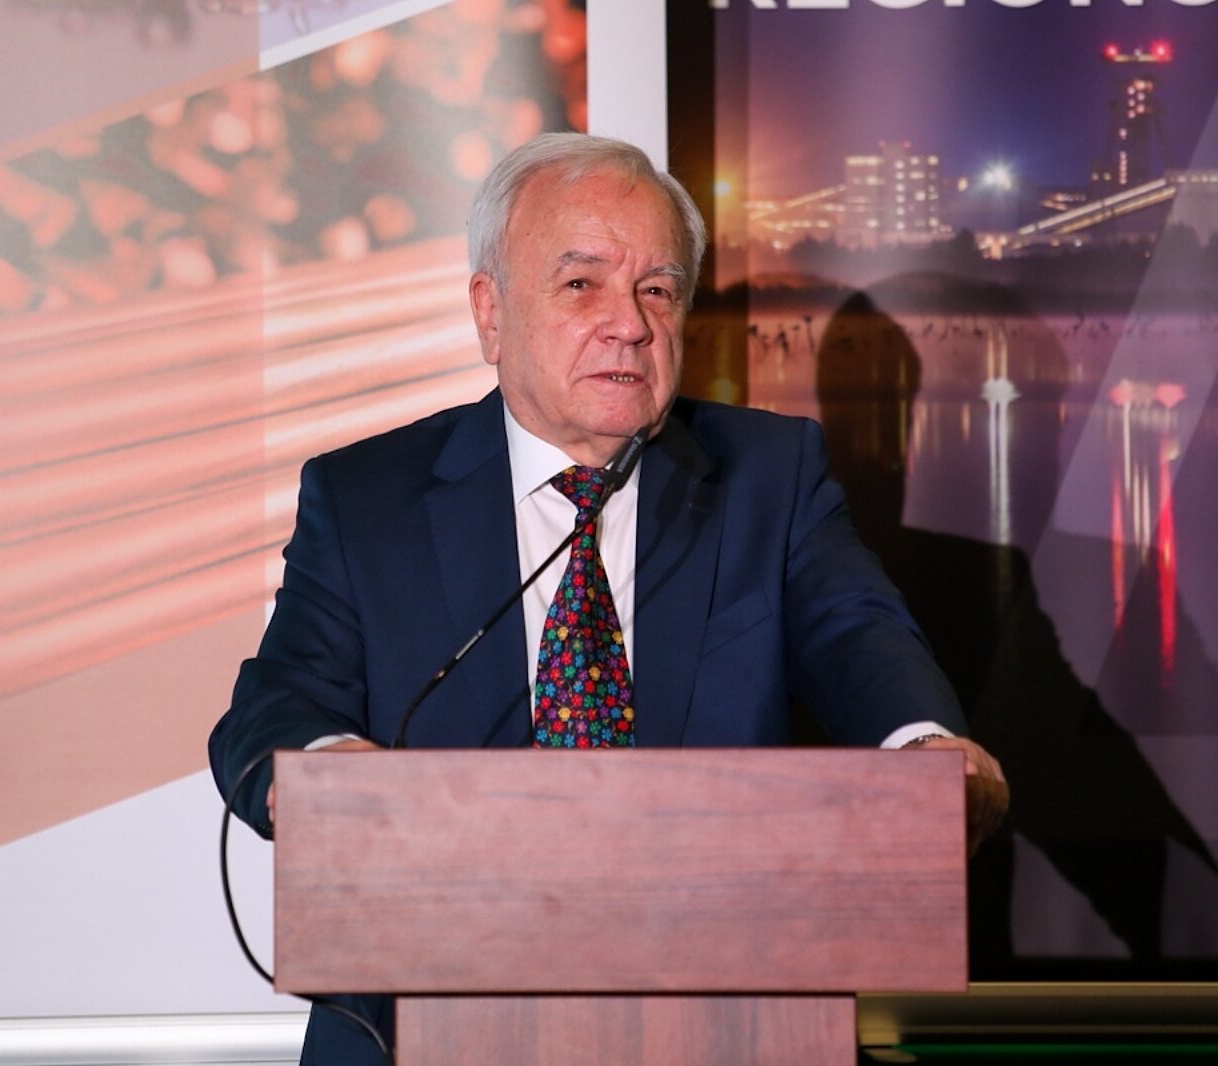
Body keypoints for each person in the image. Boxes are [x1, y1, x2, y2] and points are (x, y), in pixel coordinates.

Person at [209, 132, 1007, 1066]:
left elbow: (855, 634)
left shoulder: (768, 477)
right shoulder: (367, 499)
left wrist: (922, 749)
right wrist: (335, 775)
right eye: (582, 283)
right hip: (417, 1028)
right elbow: (276, 705)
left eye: (657, 291)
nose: (628, 324)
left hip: (722, 1026)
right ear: (491, 312)